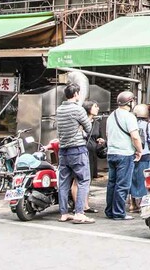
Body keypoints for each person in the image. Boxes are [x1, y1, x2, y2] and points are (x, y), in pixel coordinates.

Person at [56, 83, 94, 224]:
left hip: (63, 150)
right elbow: (88, 127)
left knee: (64, 182)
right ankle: (79, 212)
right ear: (76, 94)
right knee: (83, 180)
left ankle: (64, 213)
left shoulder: (59, 109)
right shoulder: (78, 110)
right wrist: (81, 129)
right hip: (77, 149)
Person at [105, 91, 143, 221]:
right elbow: (135, 137)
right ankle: (119, 213)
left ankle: (110, 211)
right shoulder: (129, 116)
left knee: (112, 183)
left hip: (111, 153)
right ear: (130, 102)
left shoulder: (111, 116)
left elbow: (107, 134)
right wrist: (140, 150)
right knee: (122, 185)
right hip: (124, 154)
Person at [71, 100, 102, 214]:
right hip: (80, 151)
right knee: (77, 180)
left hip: (92, 153)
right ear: (88, 108)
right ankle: (77, 205)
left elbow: (99, 137)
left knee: (88, 180)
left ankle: (86, 205)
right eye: (95, 106)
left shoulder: (97, 123)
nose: (97, 108)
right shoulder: (81, 122)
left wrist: (101, 141)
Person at [128, 103, 150, 214]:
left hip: (133, 155)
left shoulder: (131, 124)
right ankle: (143, 205)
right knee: (145, 180)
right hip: (146, 156)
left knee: (133, 179)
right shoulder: (147, 125)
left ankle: (132, 204)